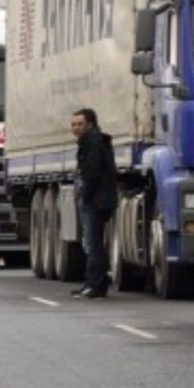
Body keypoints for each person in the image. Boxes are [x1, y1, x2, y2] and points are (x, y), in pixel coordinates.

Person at [71, 108, 117, 299]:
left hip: (96, 200)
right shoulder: (92, 140)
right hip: (99, 198)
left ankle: (94, 285)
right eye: (73, 124)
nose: (76, 128)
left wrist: (85, 193)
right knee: (93, 243)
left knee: (92, 244)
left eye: (80, 124)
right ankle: (93, 283)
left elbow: (92, 173)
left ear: (90, 124)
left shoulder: (93, 142)